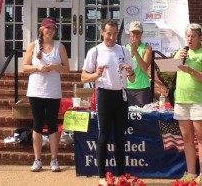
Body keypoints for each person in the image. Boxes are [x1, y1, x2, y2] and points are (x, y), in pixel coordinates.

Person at [81, 19, 136, 186]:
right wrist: (96, 75)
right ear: (102, 33)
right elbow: (83, 77)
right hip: (104, 95)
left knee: (120, 136)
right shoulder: (95, 51)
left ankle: (121, 175)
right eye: (108, 33)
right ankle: (102, 176)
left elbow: (132, 79)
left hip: (121, 96)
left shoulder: (123, 50)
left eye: (114, 34)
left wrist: (130, 72)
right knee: (103, 135)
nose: (112, 37)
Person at [22, 17, 70, 172]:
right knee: (37, 123)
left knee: (52, 124)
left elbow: (67, 68)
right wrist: (38, 68)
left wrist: (56, 66)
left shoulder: (59, 47)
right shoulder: (33, 46)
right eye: (47, 28)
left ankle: (54, 159)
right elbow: (25, 67)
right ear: (41, 29)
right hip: (36, 90)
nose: (50, 31)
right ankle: (37, 159)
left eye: (53, 28)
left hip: (53, 91)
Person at [173, 23, 202, 186]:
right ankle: (191, 173)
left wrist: (191, 70)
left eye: (193, 36)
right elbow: (170, 72)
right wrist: (177, 59)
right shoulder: (182, 52)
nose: (189, 39)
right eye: (188, 36)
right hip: (181, 99)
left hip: (199, 100)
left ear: (200, 38)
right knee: (186, 137)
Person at [126, 21, 152, 107]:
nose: (136, 35)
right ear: (129, 33)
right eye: (133, 32)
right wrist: (131, 52)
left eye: (138, 32)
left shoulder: (147, 48)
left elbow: (144, 68)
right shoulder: (124, 48)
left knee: (143, 117)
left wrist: (135, 52)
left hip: (142, 88)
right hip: (127, 87)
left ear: (142, 34)